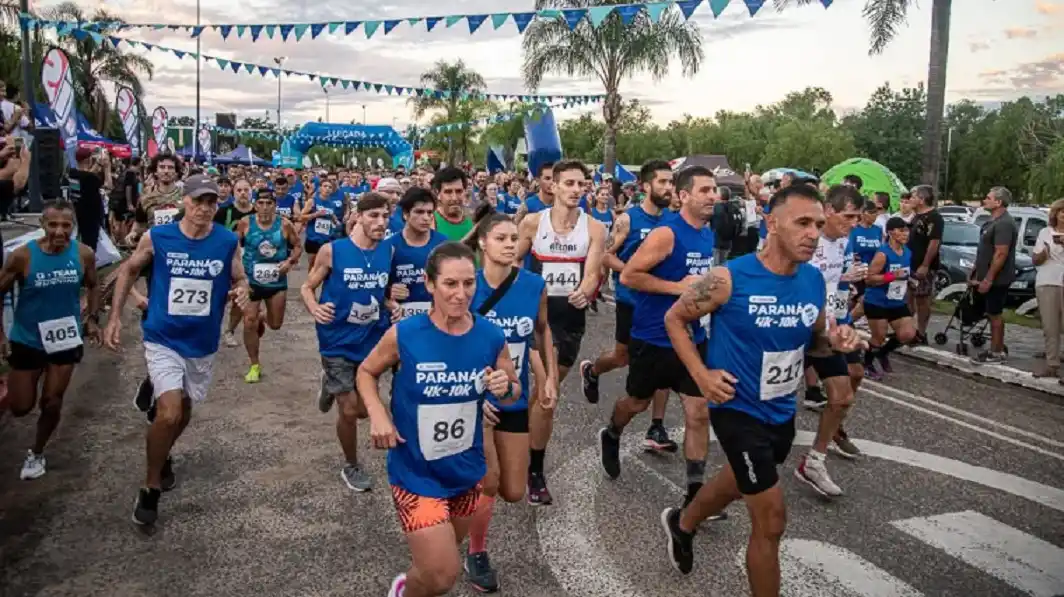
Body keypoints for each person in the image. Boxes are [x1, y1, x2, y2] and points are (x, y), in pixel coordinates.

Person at [658, 185, 863, 596]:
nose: (813, 234)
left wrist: (836, 343)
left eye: (818, 224)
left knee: (738, 481)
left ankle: (683, 523)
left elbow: (815, 342)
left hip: (781, 410)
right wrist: (701, 375)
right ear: (771, 223)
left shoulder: (812, 281)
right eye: (802, 223)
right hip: (737, 408)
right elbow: (675, 320)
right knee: (771, 521)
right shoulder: (728, 279)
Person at [355, 242, 521, 597]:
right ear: (430, 284)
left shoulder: (491, 335)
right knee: (443, 574)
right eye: (450, 284)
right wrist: (378, 415)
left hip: (466, 471)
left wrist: (505, 386)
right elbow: (366, 372)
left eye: (468, 283)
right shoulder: (405, 334)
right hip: (415, 472)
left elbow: (513, 391)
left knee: (436, 565)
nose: (461, 294)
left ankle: (409, 586)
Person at [104, 174, 250, 525]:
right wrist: (114, 317)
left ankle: (163, 449)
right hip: (163, 337)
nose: (204, 208)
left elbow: (240, 276)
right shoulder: (159, 237)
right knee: (168, 414)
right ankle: (150, 487)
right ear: (184, 200)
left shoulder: (226, 241)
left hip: (201, 343)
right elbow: (128, 271)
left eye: (211, 202)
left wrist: (243, 289)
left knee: (182, 413)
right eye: (198, 201)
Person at [604, 165, 718, 508]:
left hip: (692, 338)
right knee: (636, 403)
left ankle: (695, 493)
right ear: (684, 195)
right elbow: (630, 276)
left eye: (714, 190)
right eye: (705, 190)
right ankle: (612, 432)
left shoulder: (707, 233)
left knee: (698, 412)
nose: (713, 196)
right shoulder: (666, 234)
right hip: (653, 337)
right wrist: (677, 288)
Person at [463, 215, 559, 593]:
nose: (509, 244)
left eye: (514, 238)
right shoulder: (466, 285)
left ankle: (463, 500)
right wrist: (470, 399)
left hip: (514, 397)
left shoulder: (533, 285)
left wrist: (548, 377)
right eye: (500, 238)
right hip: (475, 399)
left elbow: (540, 332)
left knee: (514, 490)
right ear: (482, 243)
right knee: (488, 482)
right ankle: (476, 552)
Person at [516, 159, 607, 505]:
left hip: (569, 318)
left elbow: (593, 272)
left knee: (543, 395)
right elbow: (511, 261)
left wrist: (586, 289)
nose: (576, 190)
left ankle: (524, 441)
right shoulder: (532, 222)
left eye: (581, 184)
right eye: (569, 183)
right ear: (552, 186)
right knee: (546, 393)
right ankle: (535, 471)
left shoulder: (594, 228)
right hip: (535, 317)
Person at [580, 161, 676, 454]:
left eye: (671, 182)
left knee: (664, 362)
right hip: (631, 300)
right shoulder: (628, 220)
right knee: (622, 357)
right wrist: (634, 273)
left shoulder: (674, 220)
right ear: (646, 186)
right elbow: (606, 256)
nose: (668, 187)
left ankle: (657, 426)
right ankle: (593, 370)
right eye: (662, 182)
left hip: (662, 303)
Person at [0, 200, 100, 480]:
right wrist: (1, 335)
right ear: (42, 225)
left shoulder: (83, 254)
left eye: (66, 225)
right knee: (21, 407)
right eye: (53, 224)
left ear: (73, 226)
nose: (59, 231)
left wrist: (92, 319)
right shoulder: (22, 256)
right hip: (28, 339)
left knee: (53, 401)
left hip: (65, 338)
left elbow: (94, 285)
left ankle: (37, 452)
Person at [301, 193, 394, 492]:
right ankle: (351, 465)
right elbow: (307, 286)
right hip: (337, 340)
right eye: (374, 216)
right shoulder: (333, 251)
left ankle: (329, 383)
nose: (381, 222)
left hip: (371, 340)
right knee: (350, 409)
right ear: (358, 216)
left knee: (367, 410)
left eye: (385, 216)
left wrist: (393, 304)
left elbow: (381, 292)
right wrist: (315, 308)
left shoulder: (388, 250)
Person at [793, 185, 866, 498]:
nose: (854, 223)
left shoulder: (843, 242)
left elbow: (831, 284)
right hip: (795, 327)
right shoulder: (806, 239)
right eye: (848, 216)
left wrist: (845, 288)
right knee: (767, 396)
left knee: (844, 394)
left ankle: (814, 461)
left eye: (857, 217)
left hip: (827, 329)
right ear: (829, 210)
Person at [234, 188, 302, 383]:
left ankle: (262, 318)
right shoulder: (246, 223)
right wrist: (237, 270)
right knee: (249, 321)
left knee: (275, 325)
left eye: (269, 203)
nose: (265, 207)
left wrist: (289, 262)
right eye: (261, 203)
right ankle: (254, 365)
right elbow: (234, 245)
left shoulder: (285, 224)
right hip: (251, 281)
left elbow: (298, 246)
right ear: (255, 205)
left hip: (276, 282)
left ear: (274, 205)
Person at [863, 217, 918, 380]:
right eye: (901, 230)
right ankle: (866, 364)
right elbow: (869, 279)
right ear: (890, 233)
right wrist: (891, 276)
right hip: (877, 301)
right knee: (878, 337)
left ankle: (882, 353)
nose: (905, 234)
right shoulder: (883, 254)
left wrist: (910, 279)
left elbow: (904, 272)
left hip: (897, 301)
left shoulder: (907, 252)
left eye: (907, 230)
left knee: (908, 334)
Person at [970, 186, 1018, 364]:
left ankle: (996, 352)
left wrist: (989, 278)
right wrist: (975, 270)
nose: (984, 200)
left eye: (988, 198)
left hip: (998, 279)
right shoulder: (992, 221)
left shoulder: (1004, 223)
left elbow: (1000, 253)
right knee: (990, 313)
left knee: (994, 314)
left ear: (998, 202)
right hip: (985, 275)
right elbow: (985, 250)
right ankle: (996, 348)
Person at [390, 188, 448, 321]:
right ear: (405, 214)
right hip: (401, 323)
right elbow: (374, 288)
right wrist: (388, 292)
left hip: (437, 321)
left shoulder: (443, 244)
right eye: (419, 212)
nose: (426, 218)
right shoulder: (389, 246)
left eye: (429, 212)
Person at [906, 185, 943, 345]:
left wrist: (926, 264)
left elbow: (934, 242)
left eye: (913, 197)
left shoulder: (934, 217)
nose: (910, 200)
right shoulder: (915, 216)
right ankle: (908, 329)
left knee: (922, 298)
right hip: (910, 263)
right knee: (908, 297)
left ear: (921, 199)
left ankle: (921, 332)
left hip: (923, 264)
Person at [1032, 199, 1064, 378]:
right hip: (1047, 281)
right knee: (1050, 326)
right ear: (1056, 214)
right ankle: (1052, 365)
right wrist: (1044, 253)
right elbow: (1035, 260)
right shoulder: (1045, 232)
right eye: (1062, 211)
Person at [68, 147, 112, 252]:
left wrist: (98, 164)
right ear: (89, 159)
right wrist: (107, 168)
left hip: (78, 212)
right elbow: (109, 186)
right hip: (91, 216)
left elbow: (86, 175)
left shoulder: (72, 173)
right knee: (90, 247)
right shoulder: (91, 178)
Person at [301, 178, 344, 271]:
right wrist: (315, 214)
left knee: (325, 265)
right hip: (313, 238)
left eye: (330, 187)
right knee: (313, 264)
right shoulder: (312, 201)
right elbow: (301, 217)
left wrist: (336, 221)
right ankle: (310, 279)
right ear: (320, 188)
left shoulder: (332, 204)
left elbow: (332, 216)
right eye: (325, 186)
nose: (327, 189)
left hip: (326, 238)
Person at [432, 167, 474, 242]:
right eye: (448, 192)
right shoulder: (430, 222)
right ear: (438, 194)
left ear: (465, 192)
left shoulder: (473, 219)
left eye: (459, 191)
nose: (454, 198)